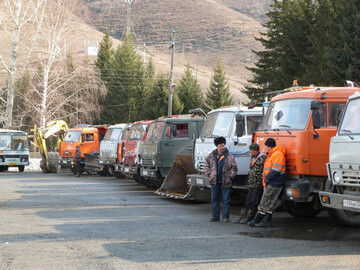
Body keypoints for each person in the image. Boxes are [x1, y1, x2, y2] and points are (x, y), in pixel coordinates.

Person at [248, 138, 286, 228]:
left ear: (269, 146)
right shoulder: (273, 154)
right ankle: (266, 221)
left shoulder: (277, 154)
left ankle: (257, 220)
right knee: (271, 203)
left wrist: (268, 179)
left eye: (266, 146)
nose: (265, 148)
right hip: (274, 182)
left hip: (273, 182)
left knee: (264, 201)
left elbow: (276, 170)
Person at [204, 136, 238, 223]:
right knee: (215, 199)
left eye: (223, 145)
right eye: (220, 146)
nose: (222, 147)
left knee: (226, 200)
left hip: (226, 182)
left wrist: (230, 177)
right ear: (217, 146)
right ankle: (215, 216)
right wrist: (209, 174)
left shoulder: (230, 156)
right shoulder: (211, 155)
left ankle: (225, 217)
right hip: (214, 181)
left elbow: (234, 168)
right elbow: (206, 165)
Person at [233, 143, 266, 224]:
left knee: (254, 201)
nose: (249, 152)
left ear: (255, 150)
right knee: (248, 200)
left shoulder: (262, 158)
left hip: (257, 184)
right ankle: (242, 216)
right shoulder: (254, 157)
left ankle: (250, 217)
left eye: (251, 150)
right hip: (252, 183)